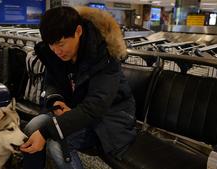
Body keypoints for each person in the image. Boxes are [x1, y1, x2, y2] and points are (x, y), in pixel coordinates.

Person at [20, 6, 136, 169]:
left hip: (108, 119)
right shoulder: (57, 54)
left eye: (61, 44)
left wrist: (47, 132)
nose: (56, 51)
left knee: (58, 144)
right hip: (76, 112)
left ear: (78, 31)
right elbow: (51, 82)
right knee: (33, 126)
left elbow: (95, 108)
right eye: (51, 45)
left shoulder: (104, 56)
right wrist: (56, 101)